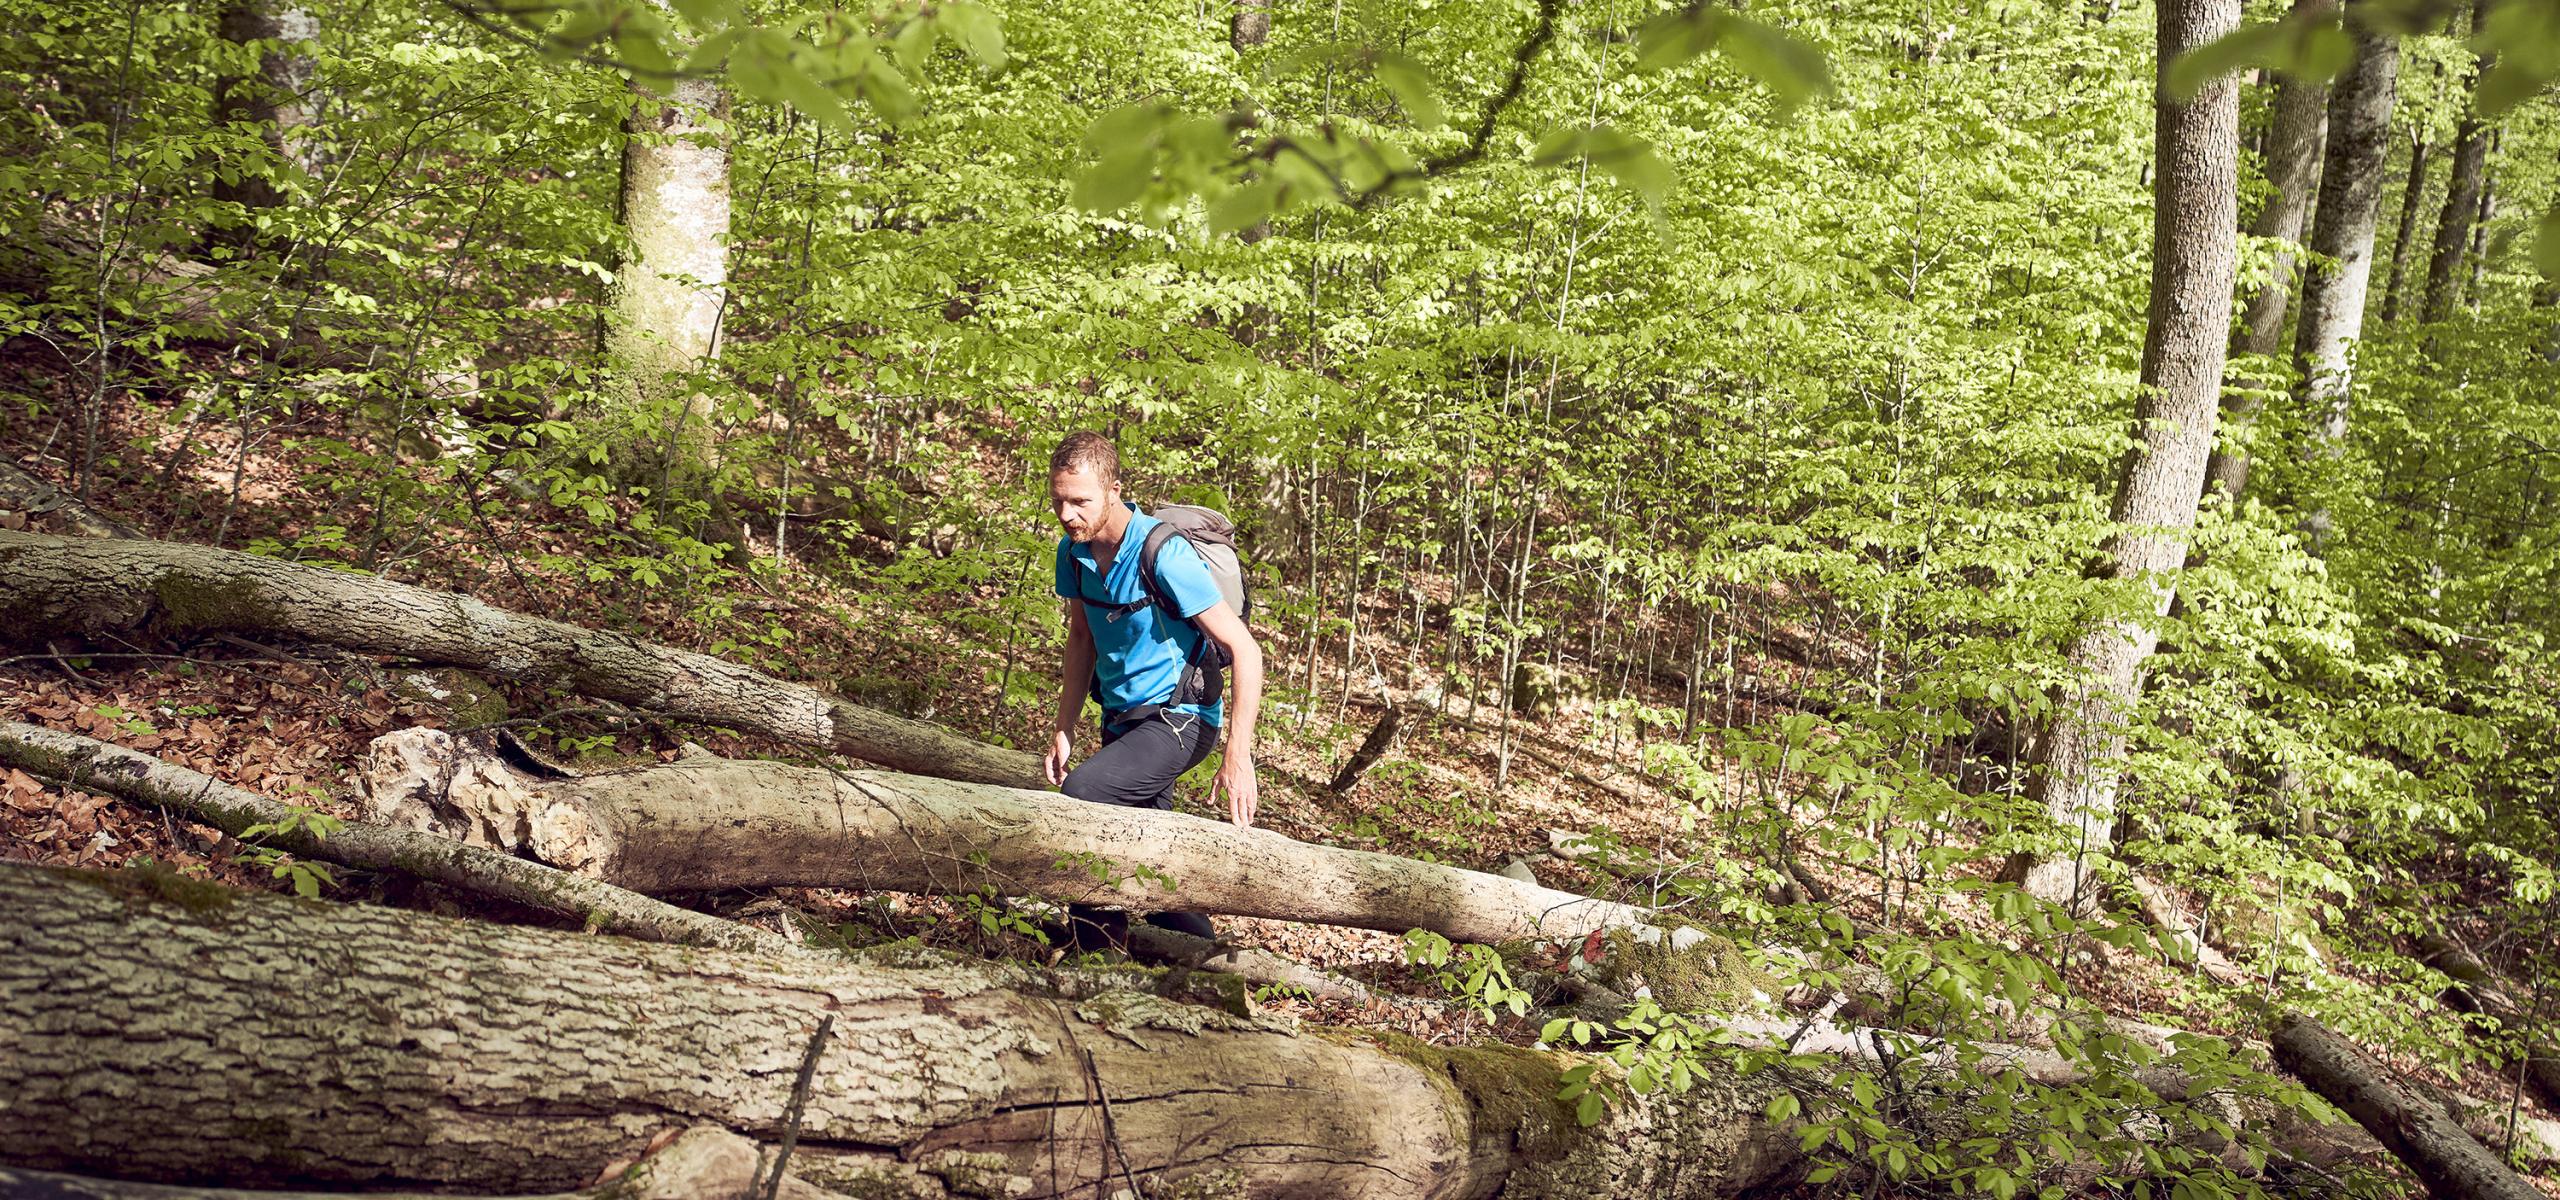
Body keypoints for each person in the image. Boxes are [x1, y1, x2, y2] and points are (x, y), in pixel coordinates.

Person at [1043, 431, 1262, 947]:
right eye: (1058, 501)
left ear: (1113, 489)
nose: (1067, 514)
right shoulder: (1072, 554)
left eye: (1080, 501)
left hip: (1180, 720)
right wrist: (1064, 726)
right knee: (1150, 861)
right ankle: (1202, 959)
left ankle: (1094, 954)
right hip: (1123, 722)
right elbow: (1080, 637)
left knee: (1083, 797)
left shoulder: (1162, 553)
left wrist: (1239, 754)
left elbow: (1247, 651)